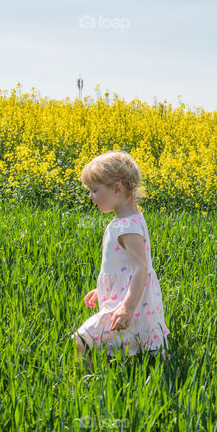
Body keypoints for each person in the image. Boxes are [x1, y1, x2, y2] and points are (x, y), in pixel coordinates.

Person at [74, 151, 168, 370]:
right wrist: (102, 289)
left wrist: (126, 307)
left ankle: (85, 386)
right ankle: (154, 371)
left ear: (117, 189)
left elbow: (141, 269)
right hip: (130, 295)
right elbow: (125, 266)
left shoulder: (127, 227)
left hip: (128, 300)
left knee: (82, 340)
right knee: (140, 346)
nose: (91, 197)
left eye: (95, 190)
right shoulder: (129, 219)